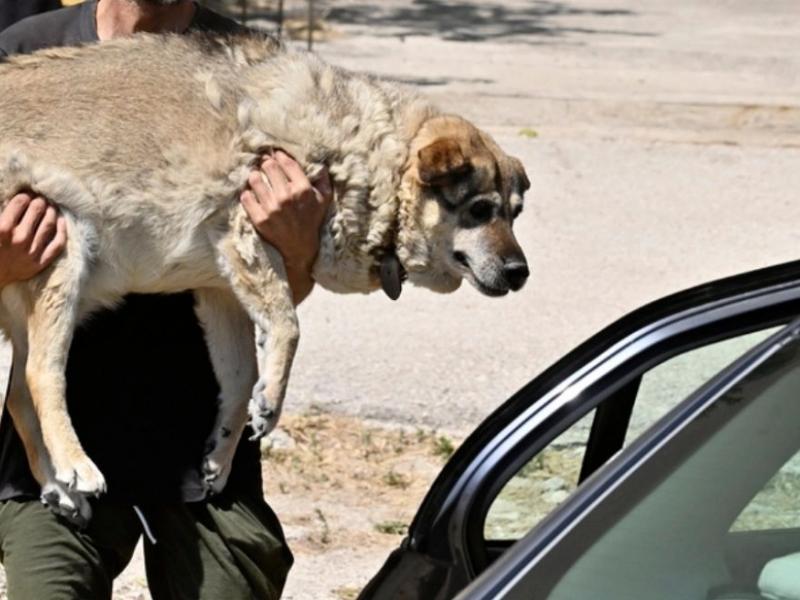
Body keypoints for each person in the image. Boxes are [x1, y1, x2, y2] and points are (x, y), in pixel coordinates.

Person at [0, 1, 333, 598]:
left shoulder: (256, 69)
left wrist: (298, 247)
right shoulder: (25, 52)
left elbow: (290, 293)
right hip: (57, 460)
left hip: (201, 459)